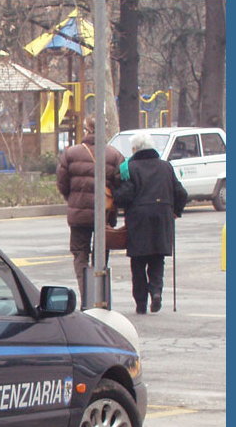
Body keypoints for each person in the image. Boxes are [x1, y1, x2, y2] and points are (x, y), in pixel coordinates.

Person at [113, 130, 188, 314]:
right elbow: (181, 193)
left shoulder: (130, 168)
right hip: (162, 217)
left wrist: (114, 194)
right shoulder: (166, 167)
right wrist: (175, 211)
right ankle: (156, 291)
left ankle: (140, 304)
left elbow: (125, 196)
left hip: (139, 220)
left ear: (135, 149)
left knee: (138, 263)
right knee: (157, 259)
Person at [56, 116, 124, 304]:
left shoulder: (70, 153)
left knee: (80, 253)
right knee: (101, 253)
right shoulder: (114, 155)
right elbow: (120, 184)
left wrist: (72, 198)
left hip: (78, 213)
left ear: (86, 129)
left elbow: (62, 183)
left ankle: (86, 294)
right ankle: (99, 294)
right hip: (105, 214)